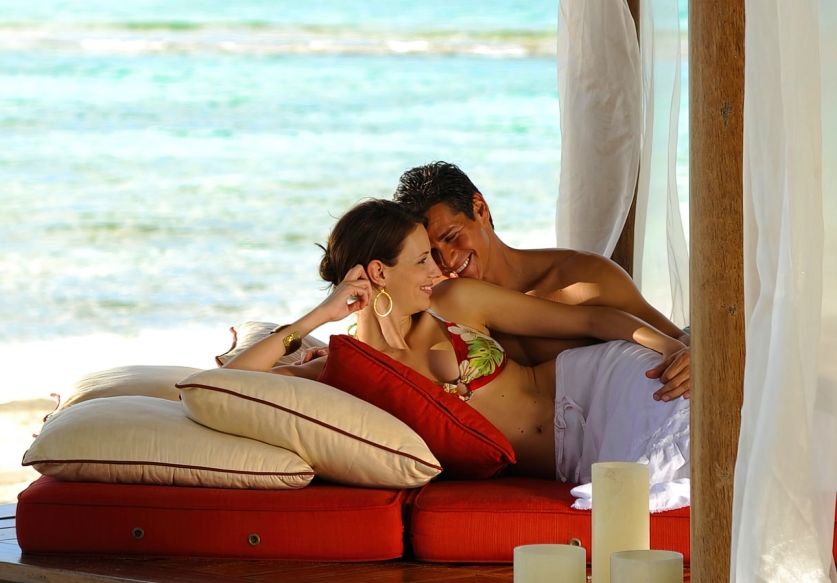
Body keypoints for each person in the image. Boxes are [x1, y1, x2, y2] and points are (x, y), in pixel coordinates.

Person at [225, 199, 690, 490]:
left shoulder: (455, 301)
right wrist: (321, 315)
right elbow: (232, 382)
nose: (438, 270)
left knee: (712, 443)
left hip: (607, 383)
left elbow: (591, 316)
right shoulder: (351, 371)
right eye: (423, 259)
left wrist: (674, 348)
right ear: (379, 274)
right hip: (573, 458)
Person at [393, 161, 691, 402]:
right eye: (430, 252)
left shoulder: (583, 281)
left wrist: (689, 356)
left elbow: (679, 340)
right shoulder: (441, 309)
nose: (446, 259)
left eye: (451, 237)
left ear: (480, 209)